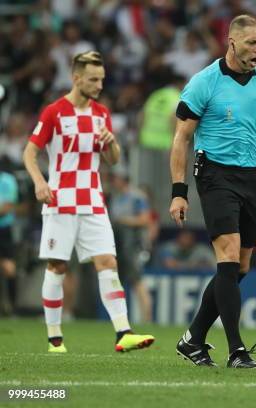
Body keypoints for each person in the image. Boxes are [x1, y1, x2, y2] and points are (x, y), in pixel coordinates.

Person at [22, 51, 155, 353]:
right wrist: (40, 182)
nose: (98, 85)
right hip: (61, 200)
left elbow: (113, 159)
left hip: (94, 201)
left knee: (108, 263)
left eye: (102, 80)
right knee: (58, 266)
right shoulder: (54, 112)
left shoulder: (101, 114)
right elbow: (29, 153)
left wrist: (112, 143)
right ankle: (55, 338)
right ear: (76, 78)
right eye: (93, 80)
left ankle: (123, 332)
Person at [169, 15, 256, 369]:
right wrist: (178, 191)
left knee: (240, 266)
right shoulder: (205, 81)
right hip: (214, 174)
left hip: (249, 178)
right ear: (232, 42)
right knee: (228, 256)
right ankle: (236, 350)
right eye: (251, 43)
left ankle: (194, 337)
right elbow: (182, 138)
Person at [109, 168, 153, 322]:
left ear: (123, 179)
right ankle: (120, 319)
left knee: (137, 280)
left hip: (134, 244)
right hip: (119, 244)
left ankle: (146, 319)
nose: (113, 181)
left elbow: (145, 219)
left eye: (116, 178)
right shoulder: (115, 197)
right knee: (117, 281)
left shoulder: (137, 196)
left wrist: (123, 220)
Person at [0, 168, 18, 314]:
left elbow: (6, 208)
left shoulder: (7, 180)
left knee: (8, 267)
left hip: (3, 229)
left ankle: (12, 308)